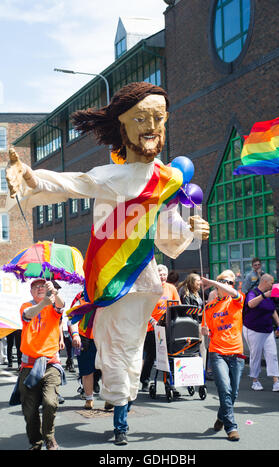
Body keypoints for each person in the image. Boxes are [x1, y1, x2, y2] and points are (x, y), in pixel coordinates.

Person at [6, 81, 209, 446]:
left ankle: (120, 412)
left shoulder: (168, 177)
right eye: (141, 118)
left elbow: (165, 235)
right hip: (110, 279)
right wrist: (31, 178)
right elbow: (72, 183)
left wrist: (191, 229)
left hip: (142, 280)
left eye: (158, 118)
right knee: (114, 350)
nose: (151, 126)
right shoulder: (111, 177)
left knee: (124, 350)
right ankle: (120, 410)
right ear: (123, 127)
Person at [18, 278, 65, 450]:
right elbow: (28, 314)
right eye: (35, 287)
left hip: (50, 363)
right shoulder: (26, 306)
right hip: (29, 365)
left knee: (50, 402)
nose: (39, 288)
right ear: (31, 292)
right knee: (29, 411)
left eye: (42, 286)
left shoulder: (53, 306)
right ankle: (36, 441)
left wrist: (55, 293)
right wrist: (43, 303)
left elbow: (61, 305)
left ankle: (49, 437)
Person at [200, 269, 245, 442]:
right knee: (224, 389)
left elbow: (233, 292)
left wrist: (214, 283)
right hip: (217, 352)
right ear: (217, 288)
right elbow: (206, 329)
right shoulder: (210, 307)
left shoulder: (236, 300)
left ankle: (221, 416)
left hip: (236, 352)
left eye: (230, 283)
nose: (228, 286)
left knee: (233, 393)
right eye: (224, 282)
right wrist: (204, 330)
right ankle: (231, 427)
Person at [242, 273, 279, 392]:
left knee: (272, 354)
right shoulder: (253, 293)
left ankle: (276, 381)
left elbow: (272, 311)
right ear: (265, 282)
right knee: (255, 355)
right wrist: (263, 296)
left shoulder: (269, 295)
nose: (273, 285)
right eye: (272, 283)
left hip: (267, 330)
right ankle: (255, 381)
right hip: (253, 329)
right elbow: (251, 304)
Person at [140, 264, 180, 392]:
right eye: (160, 274)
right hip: (152, 328)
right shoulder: (150, 289)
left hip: (168, 327)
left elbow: (177, 305)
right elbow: (144, 309)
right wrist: (152, 321)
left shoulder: (171, 288)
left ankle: (170, 383)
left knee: (168, 356)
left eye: (164, 274)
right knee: (151, 356)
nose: (162, 277)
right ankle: (145, 380)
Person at [67, 292, 102, 410]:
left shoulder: (107, 298)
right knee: (86, 371)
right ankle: (89, 398)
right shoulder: (81, 299)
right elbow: (73, 319)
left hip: (103, 338)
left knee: (107, 369)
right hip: (84, 338)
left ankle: (109, 399)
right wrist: (75, 335)